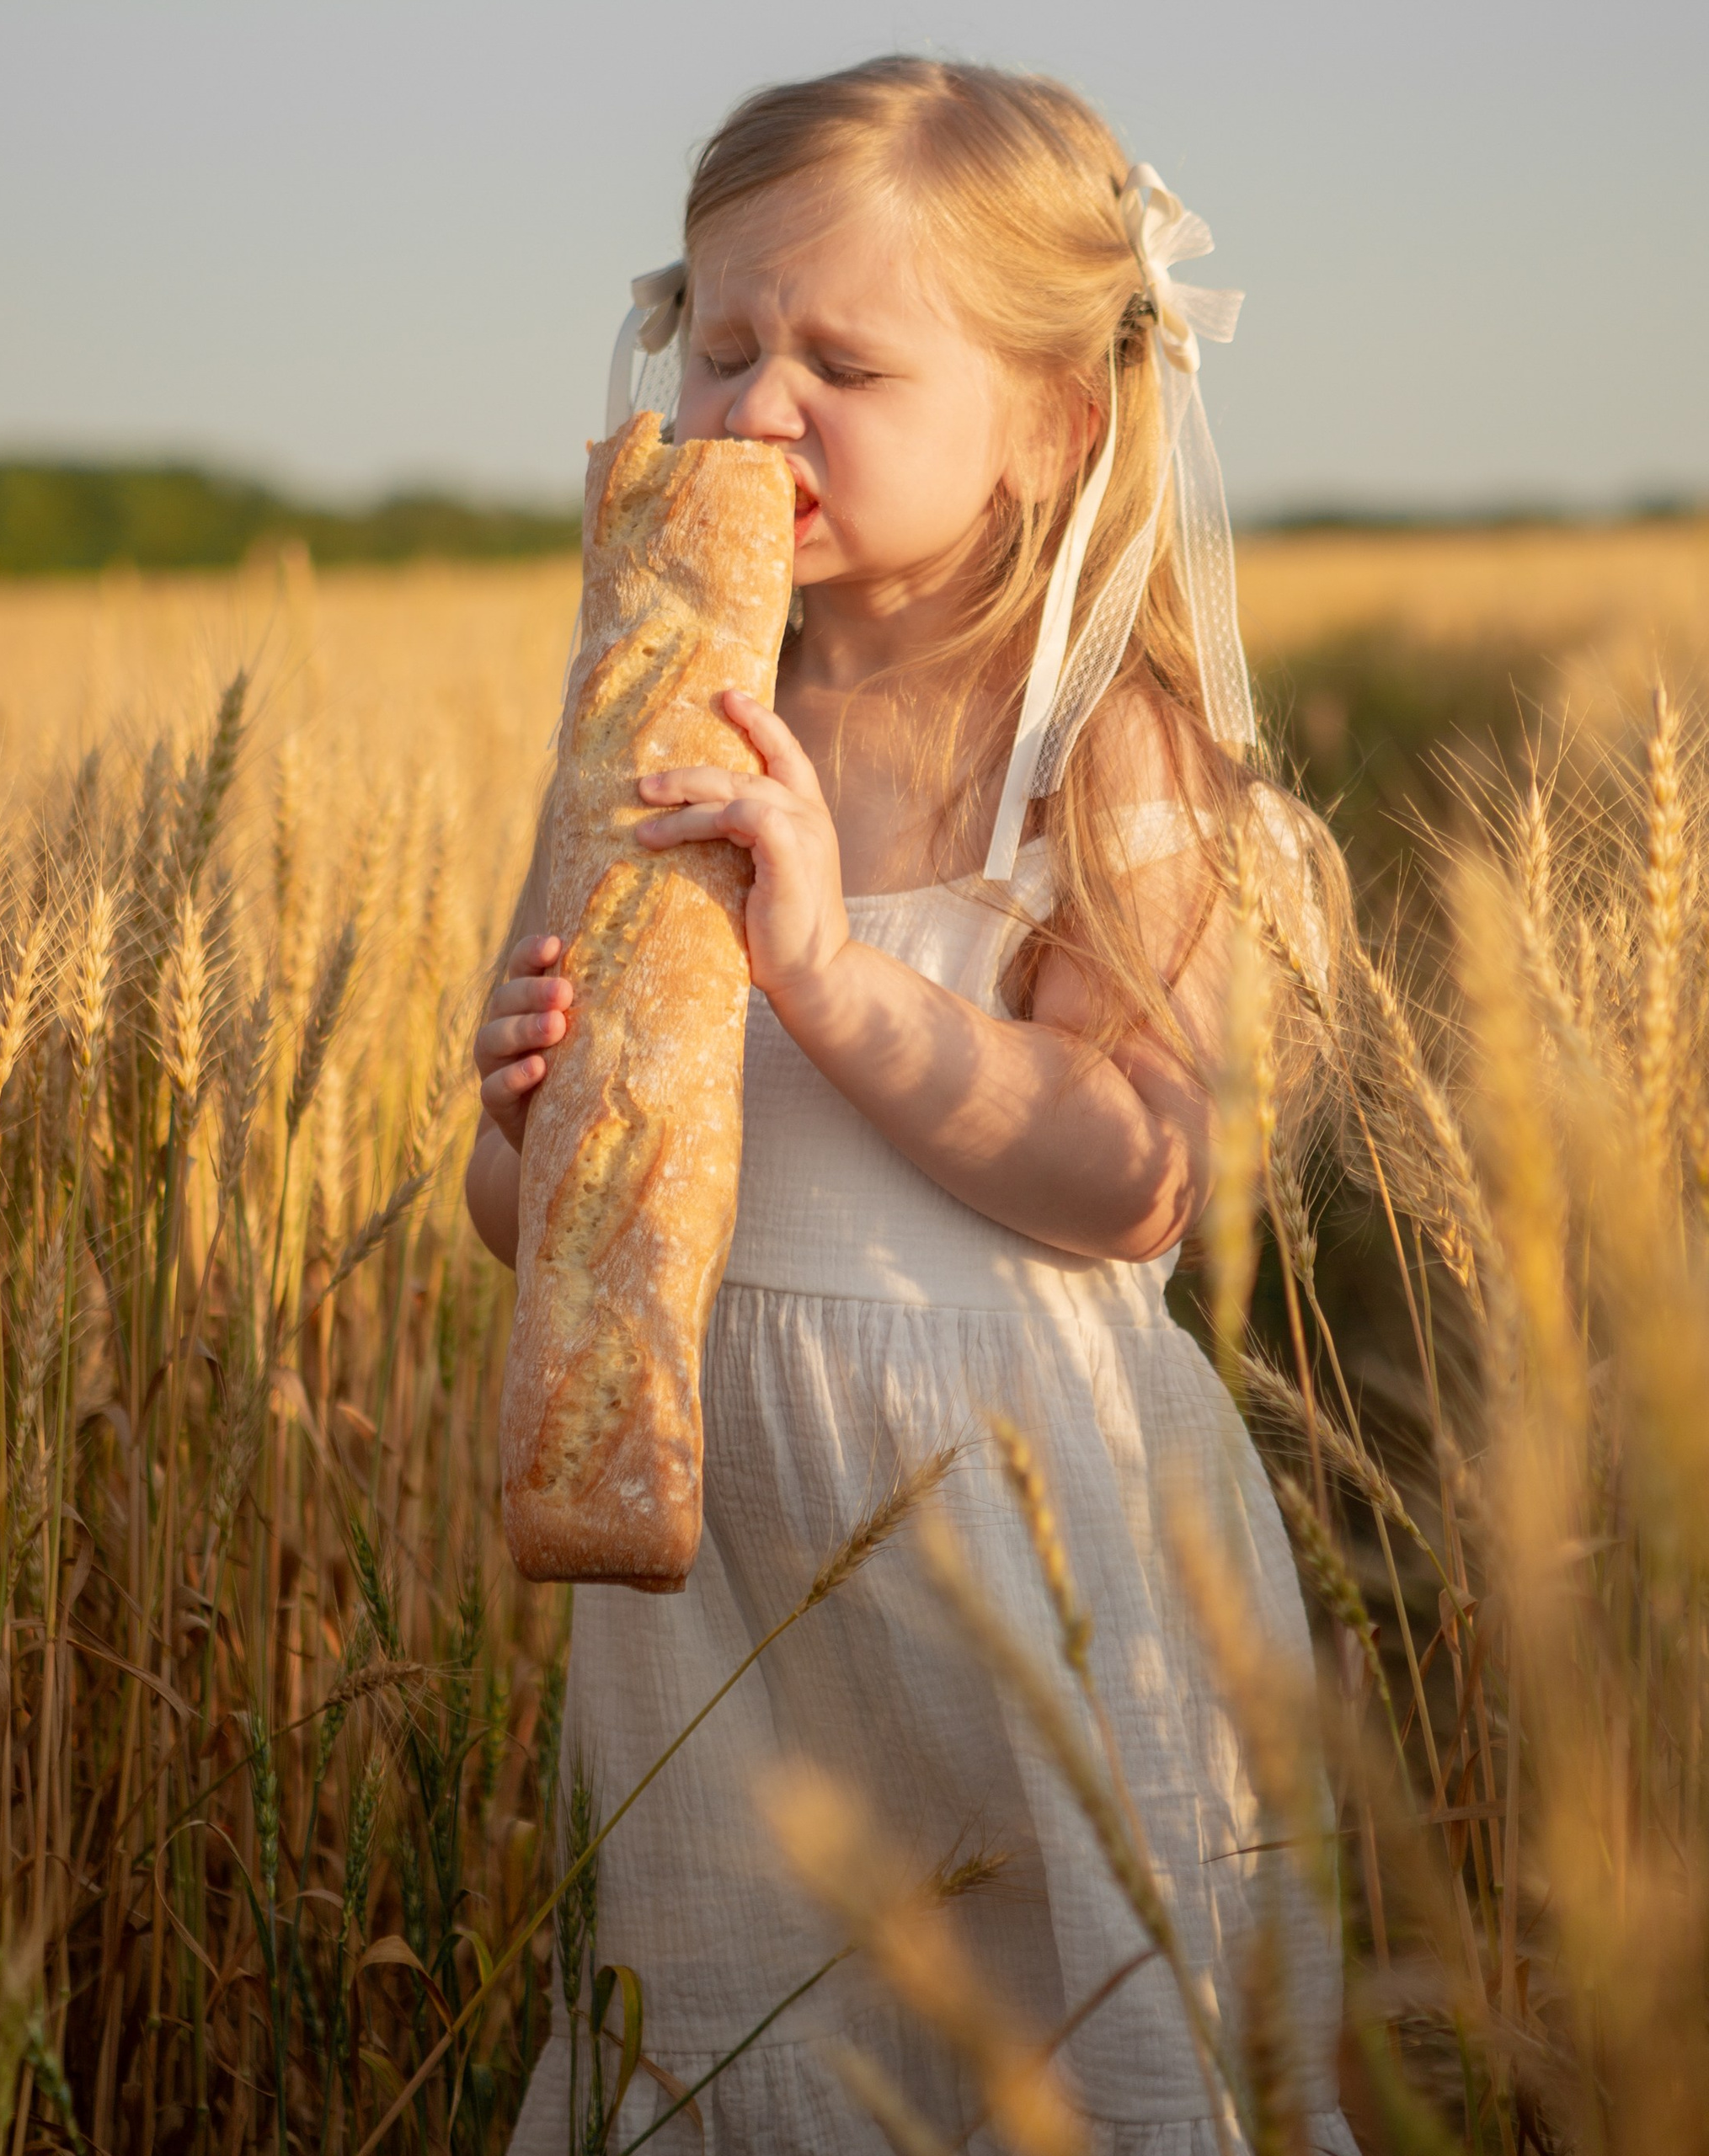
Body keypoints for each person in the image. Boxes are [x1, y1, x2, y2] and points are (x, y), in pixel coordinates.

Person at [467, 56, 1360, 2155]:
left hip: (1012, 1521)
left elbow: (1137, 1174)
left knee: (1059, 2028)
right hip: (722, 1537)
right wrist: (528, 1118)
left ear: (1054, 420)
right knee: (749, 2010)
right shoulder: (657, 718)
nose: (758, 403)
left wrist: (830, 974)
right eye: (722, 339)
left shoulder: (1090, 748)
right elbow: (527, 1219)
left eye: (844, 362)